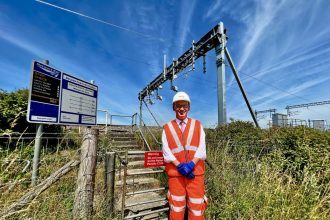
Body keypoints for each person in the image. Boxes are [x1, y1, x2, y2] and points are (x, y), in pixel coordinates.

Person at [162, 91, 207, 220]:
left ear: (189, 107)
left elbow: (201, 148)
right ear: (173, 108)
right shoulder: (167, 127)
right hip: (176, 175)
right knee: (176, 207)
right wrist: (180, 166)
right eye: (178, 105)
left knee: (196, 207)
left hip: (195, 174)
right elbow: (166, 151)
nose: (181, 108)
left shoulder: (198, 125)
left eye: (184, 105)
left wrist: (191, 164)